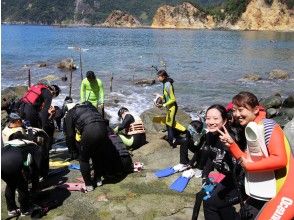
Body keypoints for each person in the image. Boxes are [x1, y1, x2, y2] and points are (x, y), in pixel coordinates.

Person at [219, 91, 293, 219]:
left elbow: (280, 159)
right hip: (267, 190)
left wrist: (249, 167)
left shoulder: (268, 126)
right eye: (235, 110)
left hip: (286, 191)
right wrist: (232, 145)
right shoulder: (253, 128)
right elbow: (247, 160)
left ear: (256, 109)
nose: (236, 114)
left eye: (241, 110)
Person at [201, 104, 245, 220]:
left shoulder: (231, 138)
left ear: (224, 121)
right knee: (208, 199)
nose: (210, 122)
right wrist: (205, 177)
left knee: (212, 203)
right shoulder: (210, 135)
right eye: (208, 118)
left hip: (242, 183)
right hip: (228, 180)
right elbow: (210, 158)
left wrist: (231, 146)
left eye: (215, 119)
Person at [1, 134, 49, 217]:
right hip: (13, 162)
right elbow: (37, 168)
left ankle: (11, 209)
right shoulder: (34, 147)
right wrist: (39, 179)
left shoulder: (16, 143)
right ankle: (25, 209)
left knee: (10, 184)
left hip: (2, 160)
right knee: (22, 186)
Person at [64, 101, 107, 192]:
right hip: (103, 129)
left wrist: (73, 151)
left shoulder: (70, 113)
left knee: (83, 159)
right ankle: (98, 179)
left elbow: (70, 135)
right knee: (97, 155)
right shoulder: (90, 107)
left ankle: (88, 184)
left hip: (89, 131)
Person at [156, 69, 179, 147]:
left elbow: (173, 99)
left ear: (163, 76)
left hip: (172, 107)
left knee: (169, 126)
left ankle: (171, 143)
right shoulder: (165, 83)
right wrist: (160, 97)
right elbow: (167, 96)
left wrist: (164, 104)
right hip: (169, 107)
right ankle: (175, 138)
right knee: (169, 124)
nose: (158, 78)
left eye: (159, 77)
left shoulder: (167, 84)